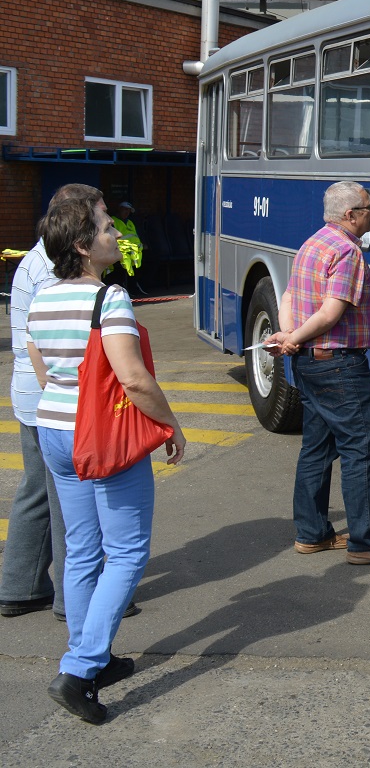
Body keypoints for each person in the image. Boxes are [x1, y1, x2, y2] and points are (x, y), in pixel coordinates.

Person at [30, 191, 187, 723]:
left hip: (52, 429)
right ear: (82, 245)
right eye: (104, 229)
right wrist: (170, 424)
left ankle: (89, 656)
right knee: (126, 553)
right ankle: (79, 670)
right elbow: (135, 379)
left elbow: (44, 366)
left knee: (81, 550)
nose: (115, 235)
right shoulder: (108, 300)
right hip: (100, 437)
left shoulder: (39, 297)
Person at [268, 181, 370, 567]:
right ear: (350, 215)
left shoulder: (313, 243)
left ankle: (312, 534)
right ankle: (366, 543)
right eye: (369, 208)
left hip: (309, 364)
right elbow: (331, 314)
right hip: (338, 365)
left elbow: (289, 297)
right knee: (359, 449)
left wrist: (288, 337)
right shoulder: (347, 252)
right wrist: (293, 339)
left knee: (316, 447)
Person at [1, 184, 94, 620]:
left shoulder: (36, 258)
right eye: (101, 217)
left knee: (39, 488)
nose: (107, 226)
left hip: (30, 391)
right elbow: (57, 342)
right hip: (50, 392)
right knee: (67, 496)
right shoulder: (55, 268)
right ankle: (70, 597)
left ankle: (19, 586)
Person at [109, 200, 146, 296]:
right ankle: (126, 286)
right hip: (121, 249)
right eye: (125, 209)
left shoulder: (130, 222)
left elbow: (135, 236)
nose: (127, 212)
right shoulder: (113, 221)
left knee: (151, 258)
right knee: (123, 265)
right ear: (119, 209)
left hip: (135, 250)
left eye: (129, 211)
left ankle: (136, 285)